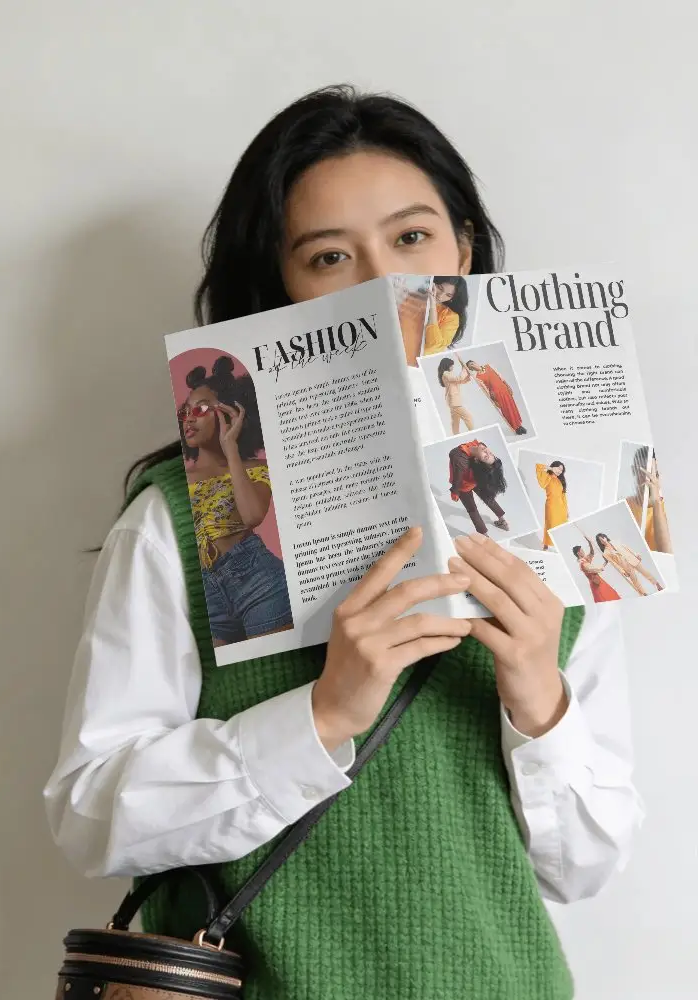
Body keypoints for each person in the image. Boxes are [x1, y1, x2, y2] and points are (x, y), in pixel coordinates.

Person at [44, 86, 642, 1000]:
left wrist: (537, 696)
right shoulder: (181, 518)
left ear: (463, 250)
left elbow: (586, 868)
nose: (378, 283)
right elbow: (91, 814)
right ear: (278, 284)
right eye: (329, 256)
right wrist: (322, 715)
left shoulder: (564, 510)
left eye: (411, 237)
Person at [177, 355, 293, 646]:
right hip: (204, 592)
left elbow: (253, 516)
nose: (189, 418)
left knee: (274, 666)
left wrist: (230, 448)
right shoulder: (178, 479)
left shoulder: (255, 468)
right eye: (185, 411)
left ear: (229, 412)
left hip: (258, 581)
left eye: (201, 408)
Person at [625, 445, 672, 554]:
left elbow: (667, 554)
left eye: (656, 474)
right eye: (646, 472)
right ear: (634, 470)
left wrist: (656, 503)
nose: (652, 480)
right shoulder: (625, 505)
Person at [466, 358, 527, 434]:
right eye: (471, 366)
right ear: (471, 369)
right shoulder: (478, 377)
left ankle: (520, 425)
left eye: (472, 363)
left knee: (513, 407)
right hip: (497, 395)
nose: (473, 366)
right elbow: (486, 390)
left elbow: (500, 376)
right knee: (506, 411)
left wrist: (508, 386)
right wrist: (494, 401)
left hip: (504, 389)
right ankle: (516, 428)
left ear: (475, 362)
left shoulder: (489, 366)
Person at [596, 531, 663, 596]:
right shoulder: (606, 553)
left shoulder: (615, 542)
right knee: (635, 580)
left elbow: (626, 548)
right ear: (600, 543)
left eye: (603, 538)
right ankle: (644, 593)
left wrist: (636, 554)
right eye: (601, 540)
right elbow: (614, 564)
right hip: (625, 566)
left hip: (632, 559)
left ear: (605, 537)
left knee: (645, 572)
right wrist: (622, 571)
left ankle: (657, 584)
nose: (603, 540)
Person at [423, 275, 468, 353]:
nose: (440, 296)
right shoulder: (414, 297)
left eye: (448, 295)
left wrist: (432, 307)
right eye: (440, 288)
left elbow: (433, 345)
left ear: (452, 298)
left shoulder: (451, 317)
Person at [573, 537, 620, 603]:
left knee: (610, 595)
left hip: (598, 580)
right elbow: (595, 569)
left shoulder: (584, 559)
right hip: (596, 583)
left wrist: (589, 543)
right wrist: (605, 563)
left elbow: (592, 553)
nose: (583, 551)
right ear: (578, 553)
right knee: (606, 598)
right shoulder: (583, 563)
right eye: (582, 550)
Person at [536, 461, 568, 550]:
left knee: (560, 526)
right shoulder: (548, 477)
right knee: (549, 525)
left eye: (561, 470)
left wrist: (566, 510)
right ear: (554, 467)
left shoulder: (560, 481)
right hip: (551, 506)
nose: (560, 471)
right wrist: (551, 468)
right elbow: (538, 466)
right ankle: (546, 544)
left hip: (561, 508)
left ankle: (560, 546)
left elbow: (563, 497)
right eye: (558, 468)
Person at [437, 356, 474, 433]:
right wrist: (464, 369)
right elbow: (458, 378)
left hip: (453, 401)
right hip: (453, 401)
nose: (452, 367)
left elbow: (458, 382)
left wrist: (467, 378)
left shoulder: (448, 374)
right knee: (468, 417)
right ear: (447, 365)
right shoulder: (446, 374)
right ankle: (473, 432)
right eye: (451, 365)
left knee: (455, 421)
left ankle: (456, 435)